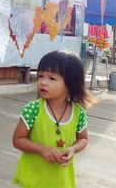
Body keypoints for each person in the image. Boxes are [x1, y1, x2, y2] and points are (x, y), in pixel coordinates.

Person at [12, 50, 98, 188]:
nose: (43, 82)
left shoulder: (77, 112)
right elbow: (18, 140)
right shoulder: (33, 109)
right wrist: (42, 149)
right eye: (40, 76)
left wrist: (73, 149)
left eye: (51, 78)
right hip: (34, 180)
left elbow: (83, 139)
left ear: (70, 83)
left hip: (61, 181)